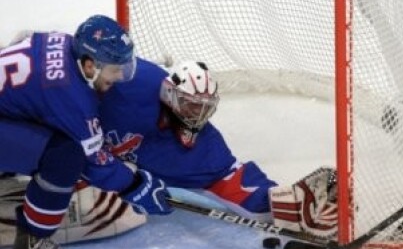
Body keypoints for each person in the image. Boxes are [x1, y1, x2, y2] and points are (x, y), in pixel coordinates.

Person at [0, 15, 173, 249]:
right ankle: (31, 243)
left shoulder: (66, 45)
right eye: (114, 69)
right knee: (65, 156)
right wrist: (136, 186)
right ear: (90, 65)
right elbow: (94, 162)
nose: (119, 76)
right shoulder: (70, 93)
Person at [98, 57, 338, 238]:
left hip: (140, 158)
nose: (197, 115)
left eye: (203, 107)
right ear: (169, 94)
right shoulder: (132, 86)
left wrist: (288, 205)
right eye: (190, 105)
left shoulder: (205, 148)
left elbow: (233, 179)